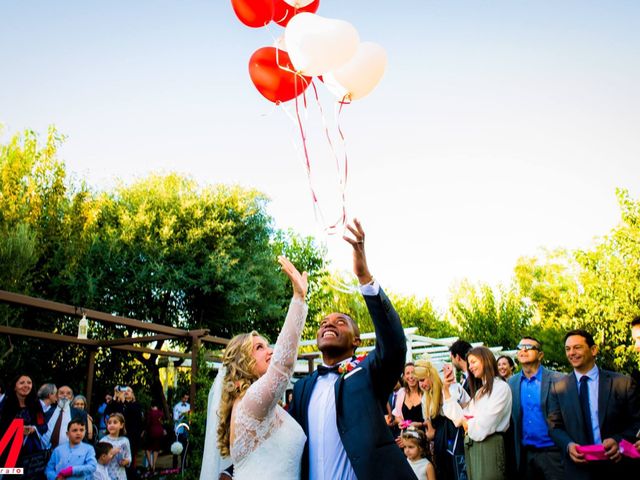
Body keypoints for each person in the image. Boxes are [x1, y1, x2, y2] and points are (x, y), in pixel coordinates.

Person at [289, 219, 417, 480]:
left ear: (357, 340)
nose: (329, 324)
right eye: (324, 323)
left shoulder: (368, 373)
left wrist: (364, 278)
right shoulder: (302, 388)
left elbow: (393, 345)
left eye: (340, 322)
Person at [200, 255, 309, 480]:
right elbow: (283, 365)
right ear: (241, 364)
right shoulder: (250, 403)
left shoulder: (263, 405)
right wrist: (298, 300)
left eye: (267, 346)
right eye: (259, 348)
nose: (270, 351)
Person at [547, 329, 640, 479]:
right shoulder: (558, 388)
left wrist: (618, 441)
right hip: (578, 470)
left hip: (617, 467)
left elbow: (637, 424)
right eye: (568, 349)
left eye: (577, 347)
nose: (571, 353)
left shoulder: (622, 383)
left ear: (594, 350)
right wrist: (568, 445)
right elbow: (554, 427)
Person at [443, 346, 512, 480]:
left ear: (485, 360)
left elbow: (484, 425)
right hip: (472, 445)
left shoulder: (501, 387)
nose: (471, 366)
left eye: (474, 362)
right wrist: (447, 389)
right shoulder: (481, 391)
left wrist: (467, 422)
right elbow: (459, 417)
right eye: (469, 363)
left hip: (489, 445)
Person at [508, 337, 564, 480]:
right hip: (526, 455)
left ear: (540, 355)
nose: (523, 350)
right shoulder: (511, 383)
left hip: (553, 454)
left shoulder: (558, 380)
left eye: (529, 347)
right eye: (520, 347)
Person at [0, 374, 48, 470]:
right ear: (15, 387)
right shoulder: (5, 403)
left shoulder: (36, 404)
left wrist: (33, 429)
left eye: (29, 383)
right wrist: (17, 429)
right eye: (22, 383)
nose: (26, 385)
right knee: (11, 475)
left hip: (30, 450)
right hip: (9, 449)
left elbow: (43, 425)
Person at [392, 363, 425, 433]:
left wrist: (420, 424)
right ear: (404, 377)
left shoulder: (424, 393)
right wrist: (401, 422)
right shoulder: (401, 393)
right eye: (407, 373)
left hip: (423, 436)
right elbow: (397, 415)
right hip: (406, 437)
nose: (411, 376)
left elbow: (431, 420)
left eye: (413, 373)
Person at [101, 412, 131, 480]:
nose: (111, 425)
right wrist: (111, 453)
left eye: (115, 422)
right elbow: (100, 461)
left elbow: (129, 456)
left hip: (121, 475)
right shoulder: (103, 441)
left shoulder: (125, 441)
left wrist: (126, 461)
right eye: (109, 423)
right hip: (107, 475)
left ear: (121, 425)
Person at [143, 401, 165, 472]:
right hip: (159, 432)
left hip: (151, 432)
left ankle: (150, 464)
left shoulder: (149, 413)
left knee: (147, 448)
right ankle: (154, 464)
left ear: (151, 406)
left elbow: (148, 423)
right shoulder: (161, 413)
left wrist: (144, 430)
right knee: (156, 449)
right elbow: (162, 422)